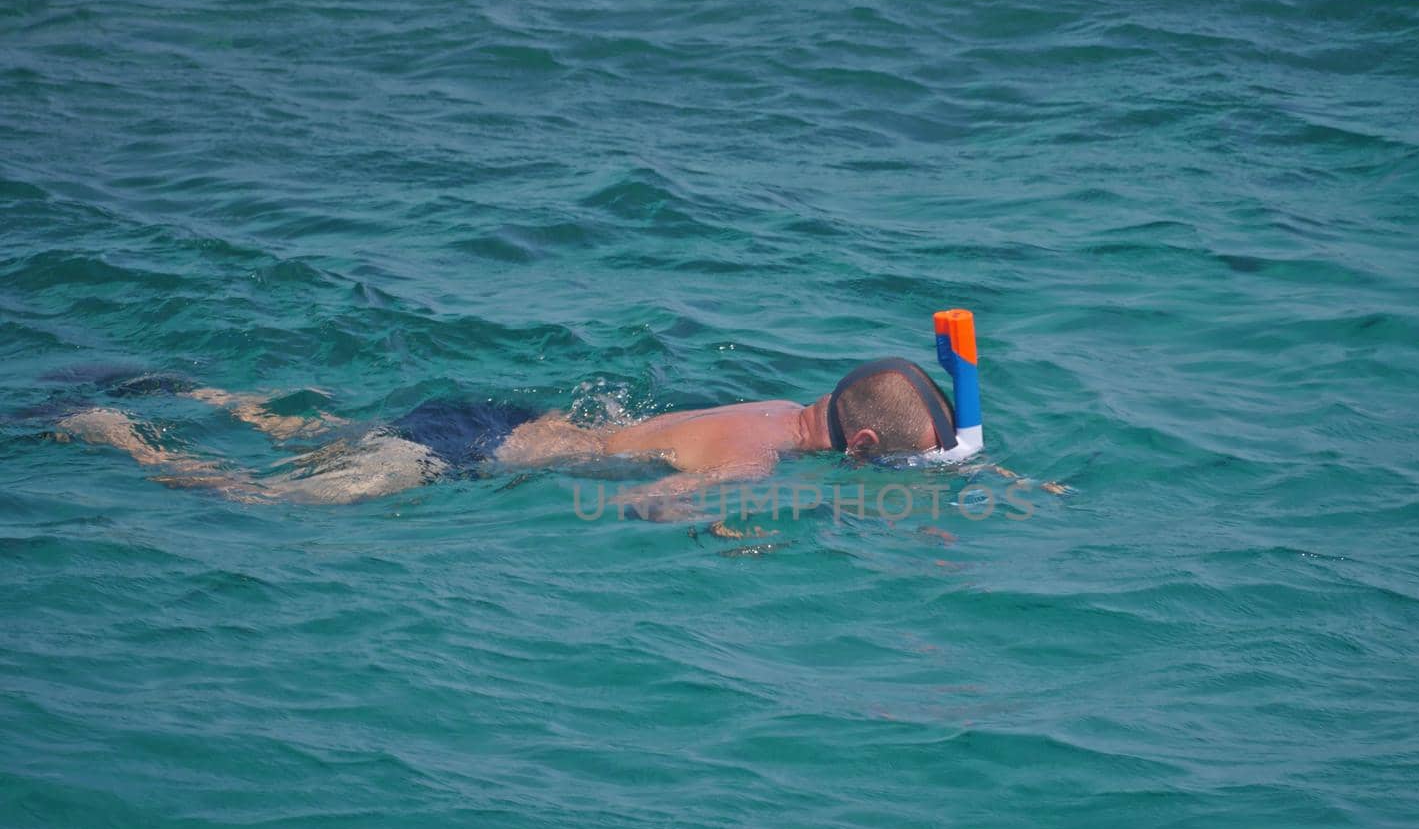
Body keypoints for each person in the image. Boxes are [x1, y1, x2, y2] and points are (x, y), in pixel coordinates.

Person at [54, 358, 962, 520]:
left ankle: (206, 393)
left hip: (500, 422)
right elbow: (653, 502)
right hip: (469, 456)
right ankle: (120, 438)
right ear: (862, 443)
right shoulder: (757, 456)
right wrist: (724, 526)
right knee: (277, 502)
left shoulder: (777, 412)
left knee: (313, 434)